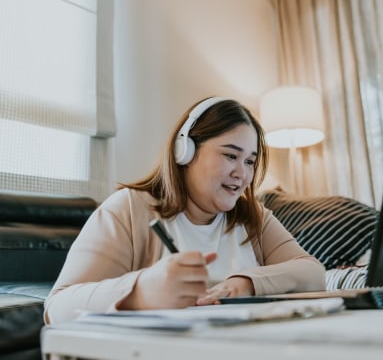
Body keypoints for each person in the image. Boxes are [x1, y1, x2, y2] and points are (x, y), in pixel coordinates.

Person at [44, 97, 326, 324]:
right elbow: (57, 308)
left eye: (250, 161)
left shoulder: (253, 217)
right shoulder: (129, 209)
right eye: (230, 155)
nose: (242, 173)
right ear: (185, 152)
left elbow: (313, 273)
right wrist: (140, 292)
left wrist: (247, 283)